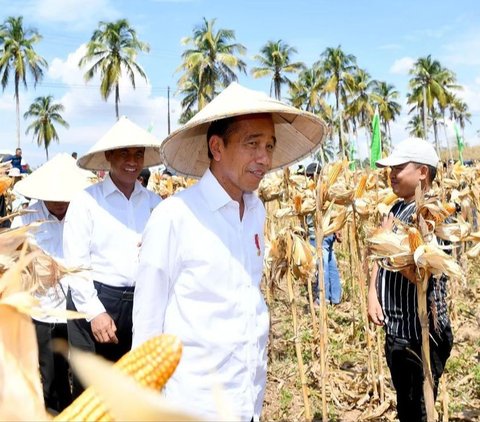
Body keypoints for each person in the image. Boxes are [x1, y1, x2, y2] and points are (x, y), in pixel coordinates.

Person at [132, 82, 327, 421]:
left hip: (246, 399)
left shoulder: (256, 212)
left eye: (269, 145)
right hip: (192, 404)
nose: (264, 159)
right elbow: (147, 326)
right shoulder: (174, 217)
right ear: (217, 147)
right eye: (252, 144)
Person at [62, 116, 162, 398]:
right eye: (124, 154)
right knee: (91, 394)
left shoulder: (155, 204)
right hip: (94, 300)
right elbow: (76, 264)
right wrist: (95, 312)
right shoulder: (87, 201)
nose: (132, 161)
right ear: (108, 157)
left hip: (139, 304)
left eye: (138, 154)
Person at [367, 137, 454, 422]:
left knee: (418, 409)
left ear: (422, 173)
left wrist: (387, 244)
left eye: (398, 167)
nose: (391, 173)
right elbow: (381, 257)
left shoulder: (434, 214)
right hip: (396, 330)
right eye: (390, 168)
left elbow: (424, 275)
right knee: (405, 405)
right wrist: (372, 294)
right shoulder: (395, 210)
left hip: (421, 336)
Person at [11, 153, 94, 413]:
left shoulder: (85, 210)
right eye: (54, 198)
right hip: (44, 312)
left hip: (81, 307)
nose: (60, 203)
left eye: (65, 198)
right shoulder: (25, 217)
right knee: (52, 376)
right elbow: (11, 261)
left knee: (83, 376)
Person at [304, 162, 342, 305]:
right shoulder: (326, 189)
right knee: (331, 263)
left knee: (322, 265)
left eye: (308, 176)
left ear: (312, 176)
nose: (307, 179)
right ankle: (336, 297)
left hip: (319, 234)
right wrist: (337, 230)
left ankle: (323, 298)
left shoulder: (315, 191)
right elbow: (333, 210)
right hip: (329, 232)